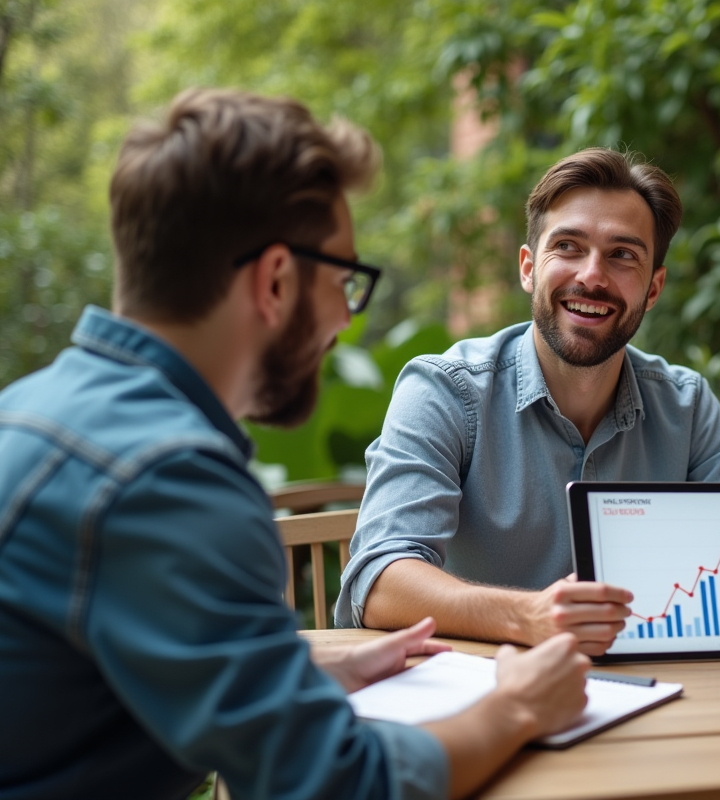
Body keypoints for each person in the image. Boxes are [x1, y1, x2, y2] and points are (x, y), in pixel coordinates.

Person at [0, 88, 591, 800]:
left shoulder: (32, 411)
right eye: (345, 280)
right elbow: (336, 786)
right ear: (277, 280)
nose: (345, 317)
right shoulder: (171, 480)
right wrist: (520, 706)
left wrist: (297, 675)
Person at [336, 147, 720, 650]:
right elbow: (379, 583)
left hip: (656, 697)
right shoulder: (445, 392)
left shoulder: (687, 406)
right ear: (528, 268)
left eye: (622, 255)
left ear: (653, 289)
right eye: (568, 246)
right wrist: (527, 616)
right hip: (487, 694)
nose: (592, 275)